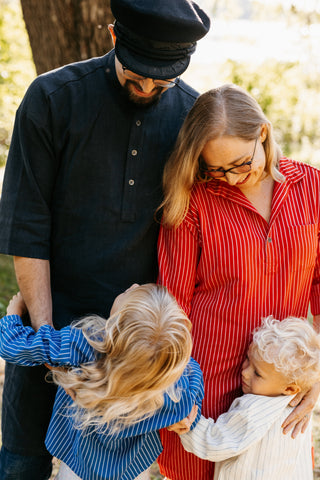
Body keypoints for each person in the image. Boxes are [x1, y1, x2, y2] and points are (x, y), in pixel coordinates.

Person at [0, 0, 210, 478]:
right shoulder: (51, 99)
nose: (147, 89)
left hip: (134, 341)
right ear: (114, 36)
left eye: (162, 82)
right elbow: (27, 226)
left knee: (109, 469)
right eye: (136, 77)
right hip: (48, 319)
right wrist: (48, 341)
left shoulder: (193, 118)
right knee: (21, 460)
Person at [156, 83, 320, 480]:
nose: (231, 178)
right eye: (217, 169)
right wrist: (174, 389)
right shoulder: (195, 201)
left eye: (241, 163)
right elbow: (173, 305)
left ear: (263, 133)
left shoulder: (313, 188)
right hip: (203, 386)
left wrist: (317, 374)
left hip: (281, 391)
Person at [0, 284, 203, 480]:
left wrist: (13, 313)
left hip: (78, 468)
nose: (132, 285)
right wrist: (186, 415)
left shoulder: (83, 345)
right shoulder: (165, 385)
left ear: (116, 327)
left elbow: (14, 346)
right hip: (132, 471)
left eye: (128, 293)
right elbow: (191, 395)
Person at [170, 316, 320, 479]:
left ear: (290, 388)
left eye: (257, 374)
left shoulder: (255, 409)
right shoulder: (300, 408)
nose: (245, 372)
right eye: (248, 359)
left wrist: (190, 423)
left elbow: (216, 442)